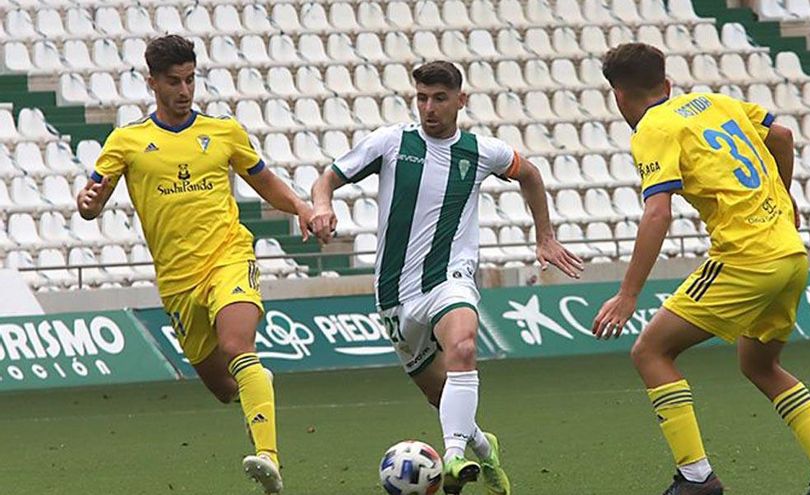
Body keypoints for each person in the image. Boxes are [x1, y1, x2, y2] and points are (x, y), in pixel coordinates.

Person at [309, 61, 583, 494]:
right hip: (395, 292)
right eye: (422, 98)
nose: (429, 108)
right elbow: (328, 178)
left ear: (461, 100)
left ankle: (453, 457)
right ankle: (481, 446)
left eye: (439, 98)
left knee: (464, 345)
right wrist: (322, 206)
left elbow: (529, 174)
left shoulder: (481, 151)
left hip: (450, 278)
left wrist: (545, 236)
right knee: (443, 400)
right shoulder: (392, 143)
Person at [592, 43, 810, 495]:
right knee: (760, 363)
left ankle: (696, 478)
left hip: (744, 258)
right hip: (790, 254)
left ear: (617, 95)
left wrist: (628, 293)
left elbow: (658, 213)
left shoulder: (653, 127)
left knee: (650, 352)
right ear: (667, 83)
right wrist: (786, 196)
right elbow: (784, 137)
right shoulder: (716, 101)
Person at [76, 35, 312, 495]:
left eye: (190, 80)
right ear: (152, 83)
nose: (185, 91)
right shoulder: (126, 141)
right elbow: (93, 199)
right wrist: (86, 203)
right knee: (225, 387)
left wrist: (300, 208)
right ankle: (254, 396)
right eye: (174, 82)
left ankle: (269, 457)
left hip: (229, 256)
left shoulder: (224, 132)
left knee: (237, 341)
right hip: (178, 282)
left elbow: (263, 181)